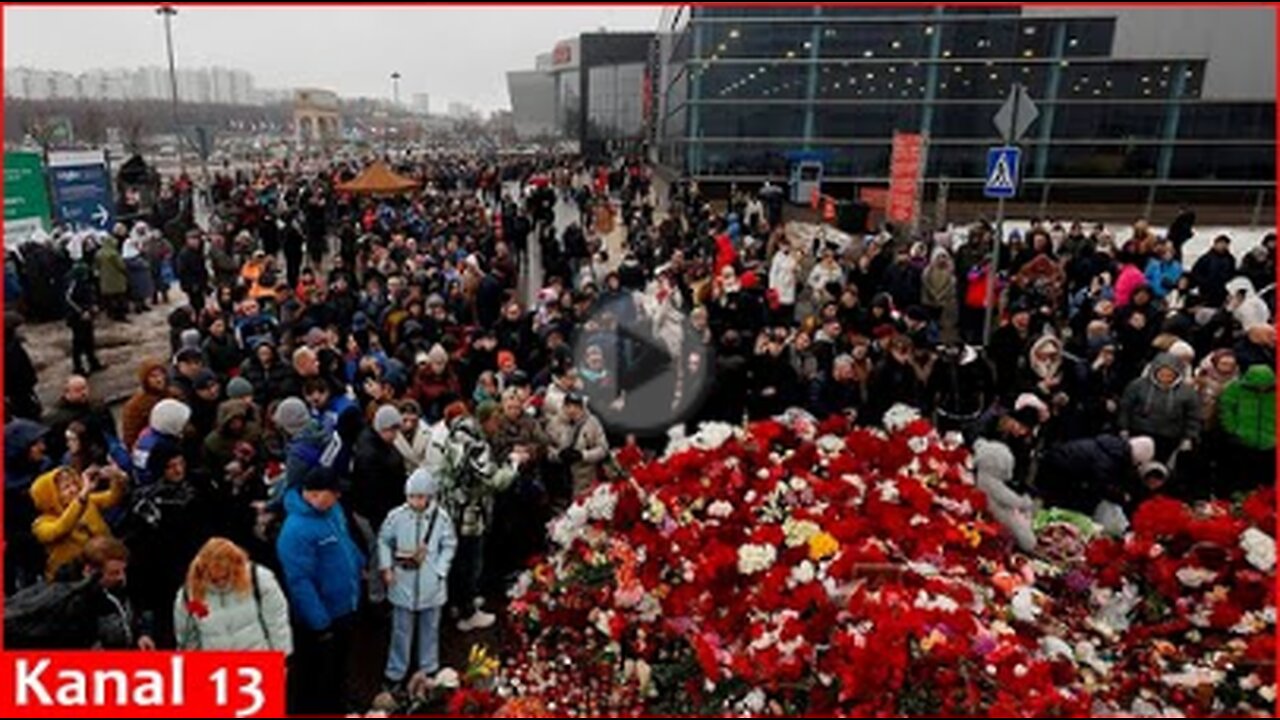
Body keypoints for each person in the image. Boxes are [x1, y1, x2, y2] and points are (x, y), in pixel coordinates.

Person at [277, 466, 364, 716]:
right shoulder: (295, 531)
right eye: (334, 492)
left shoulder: (332, 510)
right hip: (324, 617)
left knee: (340, 664)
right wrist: (320, 622)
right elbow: (299, 581)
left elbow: (344, 540)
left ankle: (340, 700)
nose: (339, 497)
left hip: (347, 605)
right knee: (318, 671)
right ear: (315, 494)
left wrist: (359, 563)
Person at [438, 402, 520, 632]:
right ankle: (468, 613)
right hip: (469, 513)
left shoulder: (457, 434)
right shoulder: (476, 445)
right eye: (496, 421)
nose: (498, 426)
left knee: (457, 560)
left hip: (452, 506)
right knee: (470, 561)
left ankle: (457, 603)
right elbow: (495, 481)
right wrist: (514, 464)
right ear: (486, 420)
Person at [378, 469, 458, 689]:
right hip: (402, 582)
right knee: (401, 629)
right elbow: (384, 540)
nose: (415, 501)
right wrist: (386, 567)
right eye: (411, 496)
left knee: (430, 627)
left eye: (420, 496)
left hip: (431, 584)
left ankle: (429, 666)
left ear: (430, 496)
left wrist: (440, 571)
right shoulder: (396, 517)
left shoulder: (442, 518)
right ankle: (396, 671)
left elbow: (449, 545)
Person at [174, 538, 292, 654]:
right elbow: (188, 640)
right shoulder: (188, 595)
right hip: (217, 669)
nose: (220, 583)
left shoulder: (259, 579)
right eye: (214, 580)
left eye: (225, 577)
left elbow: (277, 623)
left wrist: (282, 659)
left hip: (259, 662)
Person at [31, 464, 128, 581]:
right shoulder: (41, 525)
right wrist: (83, 494)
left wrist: (117, 478)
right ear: (49, 497)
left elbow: (114, 497)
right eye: (66, 487)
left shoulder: (88, 502)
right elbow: (60, 528)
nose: (74, 489)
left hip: (106, 567)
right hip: (72, 581)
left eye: (74, 483)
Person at [1118, 352, 1203, 464]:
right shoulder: (1138, 386)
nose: (1165, 378)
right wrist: (1123, 428)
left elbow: (1193, 416)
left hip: (1169, 436)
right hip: (1140, 432)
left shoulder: (1187, 392)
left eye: (1170, 375)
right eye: (1162, 374)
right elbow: (1125, 407)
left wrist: (1189, 437)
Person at [82, 537, 155, 651]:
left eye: (123, 571)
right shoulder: (76, 602)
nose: (122, 577)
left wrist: (144, 634)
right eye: (114, 573)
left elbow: (143, 611)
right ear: (91, 572)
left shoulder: (128, 583)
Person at [6, 420, 54, 593]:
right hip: (25, 547)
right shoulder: (8, 486)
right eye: (35, 444)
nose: (42, 447)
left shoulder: (45, 466)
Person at [1218, 364, 1276, 495]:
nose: (1262, 389)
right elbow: (1226, 410)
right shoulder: (1235, 389)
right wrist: (1232, 429)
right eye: (1257, 387)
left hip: (1270, 442)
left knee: (1267, 479)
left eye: (1265, 387)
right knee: (1241, 476)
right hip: (1242, 440)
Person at [972, 439, 1036, 553]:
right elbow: (1006, 498)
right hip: (998, 509)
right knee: (1018, 527)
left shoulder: (981, 476)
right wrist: (1023, 502)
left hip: (988, 507)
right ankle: (1027, 544)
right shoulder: (992, 483)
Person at [352, 404, 409, 531]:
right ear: (382, 428)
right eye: (393, 430)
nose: (396, 435)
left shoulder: (380, 443)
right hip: (377, 516)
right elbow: (371, 493)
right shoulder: (370, 454)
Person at [65, 259, 105, 375]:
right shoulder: (73, 284)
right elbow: (69, 299)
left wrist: (93, 306)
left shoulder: (85, 282)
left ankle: (93, 363)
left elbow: (89, 296)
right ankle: (78, 367)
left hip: (87, 315)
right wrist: (82, 311)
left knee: (89, 340)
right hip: (77, 318)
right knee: (78, 343)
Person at [121, 359, 171, 450]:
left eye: (161, 374)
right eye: (153, 376)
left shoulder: (173, 394)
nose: (159, 379)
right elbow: (130, 437)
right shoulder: (135, 406)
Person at [5, 313, 43, 421]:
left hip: (23, 387)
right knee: (27, 412)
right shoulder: (10, 348)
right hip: (18, 389)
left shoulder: (14, 344)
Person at [1190, 235, 1237, 308]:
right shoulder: (1206, 258)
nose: (1223, 246)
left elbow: (1233, 275)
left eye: (1225, 244)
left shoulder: (1230, 259)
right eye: (1221, 243)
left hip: (1224, 292)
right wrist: (1204, 283)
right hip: (1207, 293)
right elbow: (1195, 273)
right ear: (1215, 244)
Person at [97, 233, 129, 322]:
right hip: (116, 279)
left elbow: (97, 266)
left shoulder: (99, 253)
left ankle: (110, 314)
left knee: (109, 299)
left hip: (105, 280)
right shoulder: (114, 253)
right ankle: (120, 316)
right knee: (120, 299)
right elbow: (121, 266)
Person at [175, 232, 209, 313]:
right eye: (192, 239)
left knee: (201, 304)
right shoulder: (184, 254)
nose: (195, 242)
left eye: (197, 239)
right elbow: (182, 271)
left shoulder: (198, 251)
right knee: (196, 305)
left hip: (200, 282)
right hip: (192, 284)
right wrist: (191, 284)